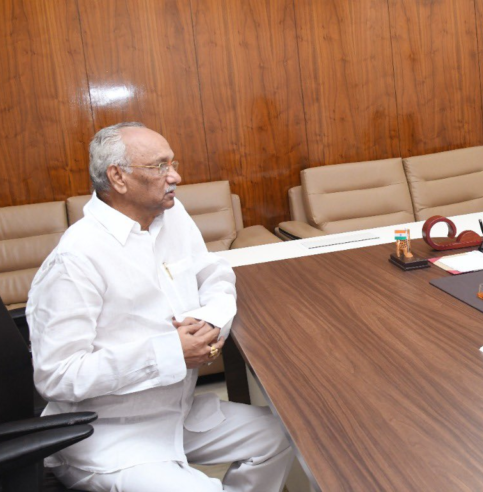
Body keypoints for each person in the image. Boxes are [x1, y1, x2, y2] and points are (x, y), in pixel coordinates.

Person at [26, 122, 294, 491]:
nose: (175, 176)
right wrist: (169, 352)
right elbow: (57, 376)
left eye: (172, 163)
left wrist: (210, 320)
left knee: (283, 435)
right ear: (118, 177)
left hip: (175, 413)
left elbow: (213, 272)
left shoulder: (171, 215)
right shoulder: (76, 258)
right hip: (110, 433)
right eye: (159, 166)